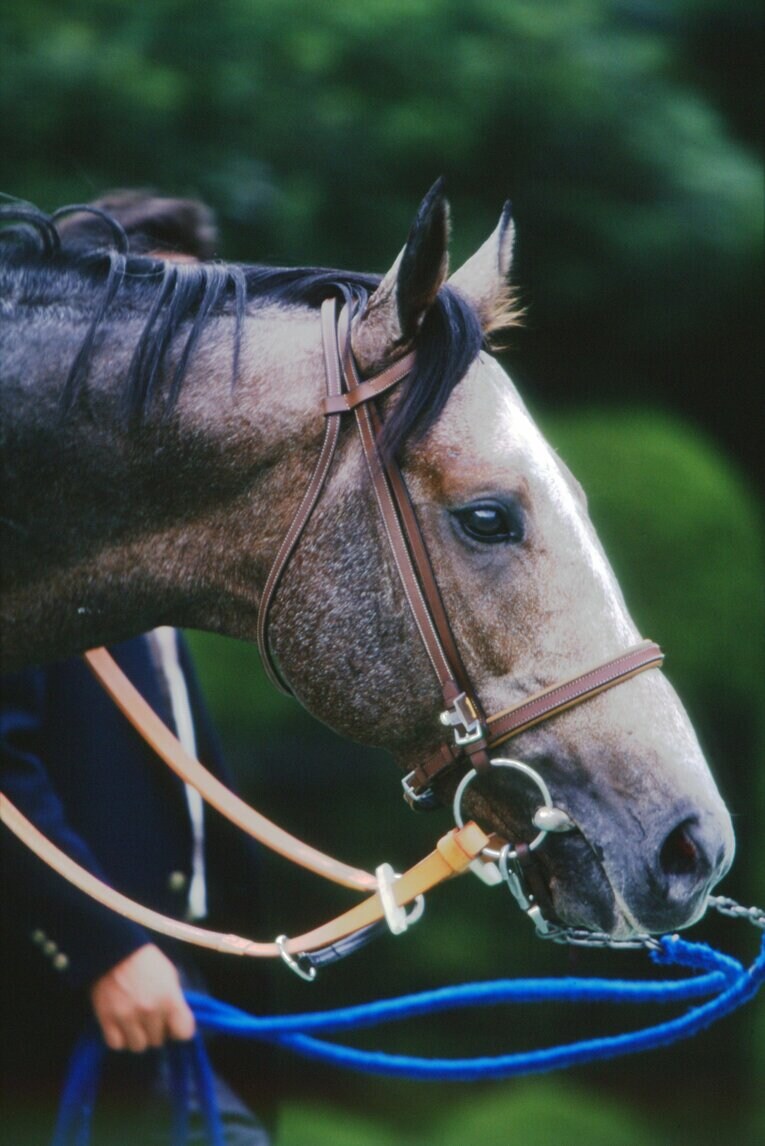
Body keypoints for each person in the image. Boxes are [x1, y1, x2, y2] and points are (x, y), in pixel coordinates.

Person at [0, 196, 273, 1144]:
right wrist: (103, 948)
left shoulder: (146, 539)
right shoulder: (26, 531)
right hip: (61, 1009)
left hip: (182, 995)